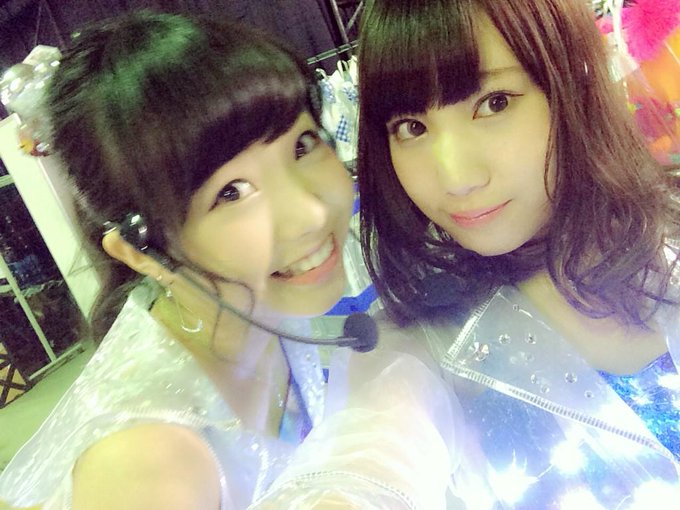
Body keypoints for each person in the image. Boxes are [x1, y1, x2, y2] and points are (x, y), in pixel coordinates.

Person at [0, 11, 459, 510]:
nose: (311, 211)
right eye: (231, 192)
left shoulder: (252, 309)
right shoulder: (149, 467)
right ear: (140, 252)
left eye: (302, 144)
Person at [357, 0, 680, 507]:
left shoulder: (667, 231)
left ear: (572, 83)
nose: (457, 179)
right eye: (412, 127)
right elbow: (357, 461)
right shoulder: (421, 343)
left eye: (494, 103)